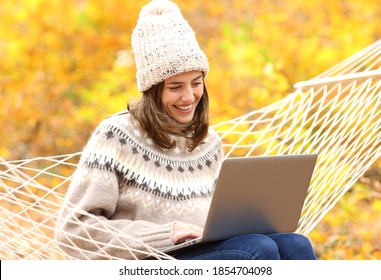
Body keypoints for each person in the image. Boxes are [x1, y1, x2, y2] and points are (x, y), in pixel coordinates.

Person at [55, 0, 317, 260]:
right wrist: (164, 235)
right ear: (152, 90)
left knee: (296, 244)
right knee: (259, 249)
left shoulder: (208, 143)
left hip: (204, 252)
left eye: (196, 82)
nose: (189, 96)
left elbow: (220, 223)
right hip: (149, 261)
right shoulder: (115, 136)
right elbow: (74, 231)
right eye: (175, 87)